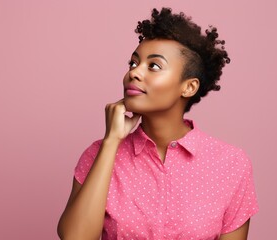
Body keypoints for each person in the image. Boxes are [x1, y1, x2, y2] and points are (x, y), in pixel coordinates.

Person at [57, 7, 259, 240]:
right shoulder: (97, 155)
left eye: (153, 66)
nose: (134, 73)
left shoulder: (231, 164)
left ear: (189, 87)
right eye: (133, 63)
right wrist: (111, 142)